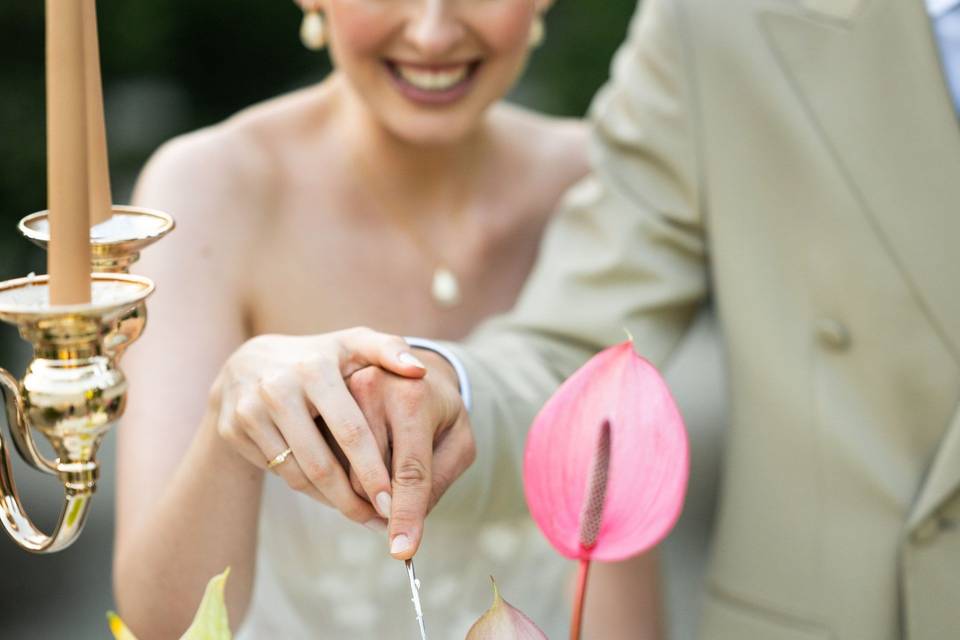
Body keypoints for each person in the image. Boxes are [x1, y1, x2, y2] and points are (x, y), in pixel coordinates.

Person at [204, 0, 960, 637]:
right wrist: (437, 389)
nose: (432, 31)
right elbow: (581, 352)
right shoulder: (714, 18)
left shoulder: (564, 162)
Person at [109, 0, 618, 638]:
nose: (432, 33)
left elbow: (617, 558)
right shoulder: (209, 190)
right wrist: (228, 424)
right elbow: (163, 625)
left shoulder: (596, 185)